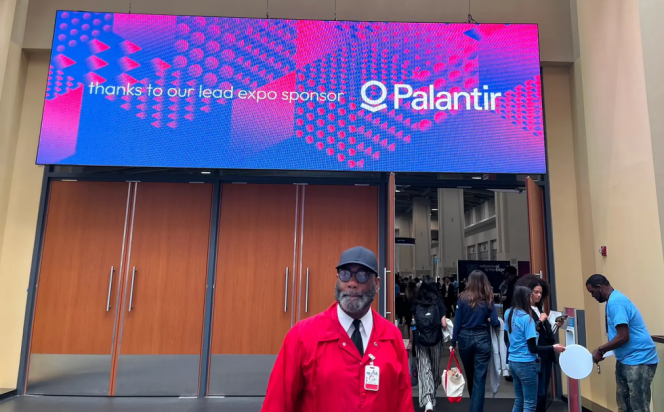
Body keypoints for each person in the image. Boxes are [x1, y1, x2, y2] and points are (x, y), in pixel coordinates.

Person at [262, 246, 414, 412]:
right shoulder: (302, 336)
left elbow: (403, 403)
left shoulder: (391, 337)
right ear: (337, 279)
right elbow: (277, 403)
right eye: (345, 274)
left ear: (377, 284)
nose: (352, 283)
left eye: (362, 275)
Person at [586, 274, 658, 412]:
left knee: (638, 406)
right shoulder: (611, 300)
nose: (592, 296)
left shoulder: (616, 302)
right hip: (625, 359)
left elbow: (623, 336)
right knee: (624, 405)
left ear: (599, 287)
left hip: (639, 359)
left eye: (592, 292)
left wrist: (601, 350)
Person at [505, 286, 565, 412]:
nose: (533, 299)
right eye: (531, 296)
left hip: (513, 360)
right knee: (530, 404)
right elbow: (532, 348)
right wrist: (552, 348)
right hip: (526, 363)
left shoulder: (509, 313)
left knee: (519, 400)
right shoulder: (528, 319)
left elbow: (507, 337)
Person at [450, 270, 500, 412]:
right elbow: (495, 322)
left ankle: (474, 406)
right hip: (482, 338)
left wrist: (453, 342)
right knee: (479, 379)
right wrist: (489, 319)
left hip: (465, 338)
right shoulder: (488, 298)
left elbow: (457, 322)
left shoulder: (462, 298)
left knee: (470, 376)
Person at [409, 280, 447, 412]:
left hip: (421, 341)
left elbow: (413, 324)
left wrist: (411, 342)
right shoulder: (438, 302)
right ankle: (431, 396)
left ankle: (428, 401)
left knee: (424, 369)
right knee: (434, 370)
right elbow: (444, 324)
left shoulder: (416, 303)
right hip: (436, 341)